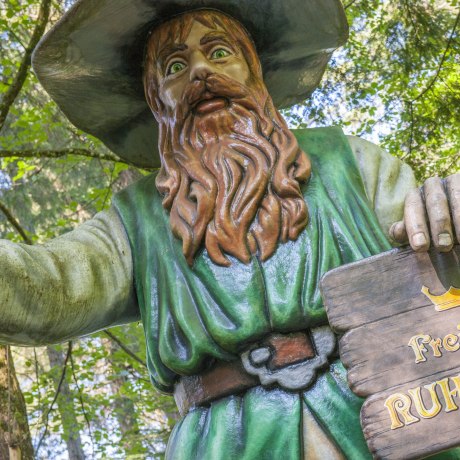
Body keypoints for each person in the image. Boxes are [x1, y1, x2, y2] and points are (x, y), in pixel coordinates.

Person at [1, 1, 459, 458]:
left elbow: (432, 246)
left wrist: (449, 211)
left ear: (252, 69)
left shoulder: (350, 163)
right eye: (175, 66)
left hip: (392, 412)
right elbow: (49, 288)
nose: (200, 72)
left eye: (219, 52)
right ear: (155, 97)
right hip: (226, 441)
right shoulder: (136, 220)